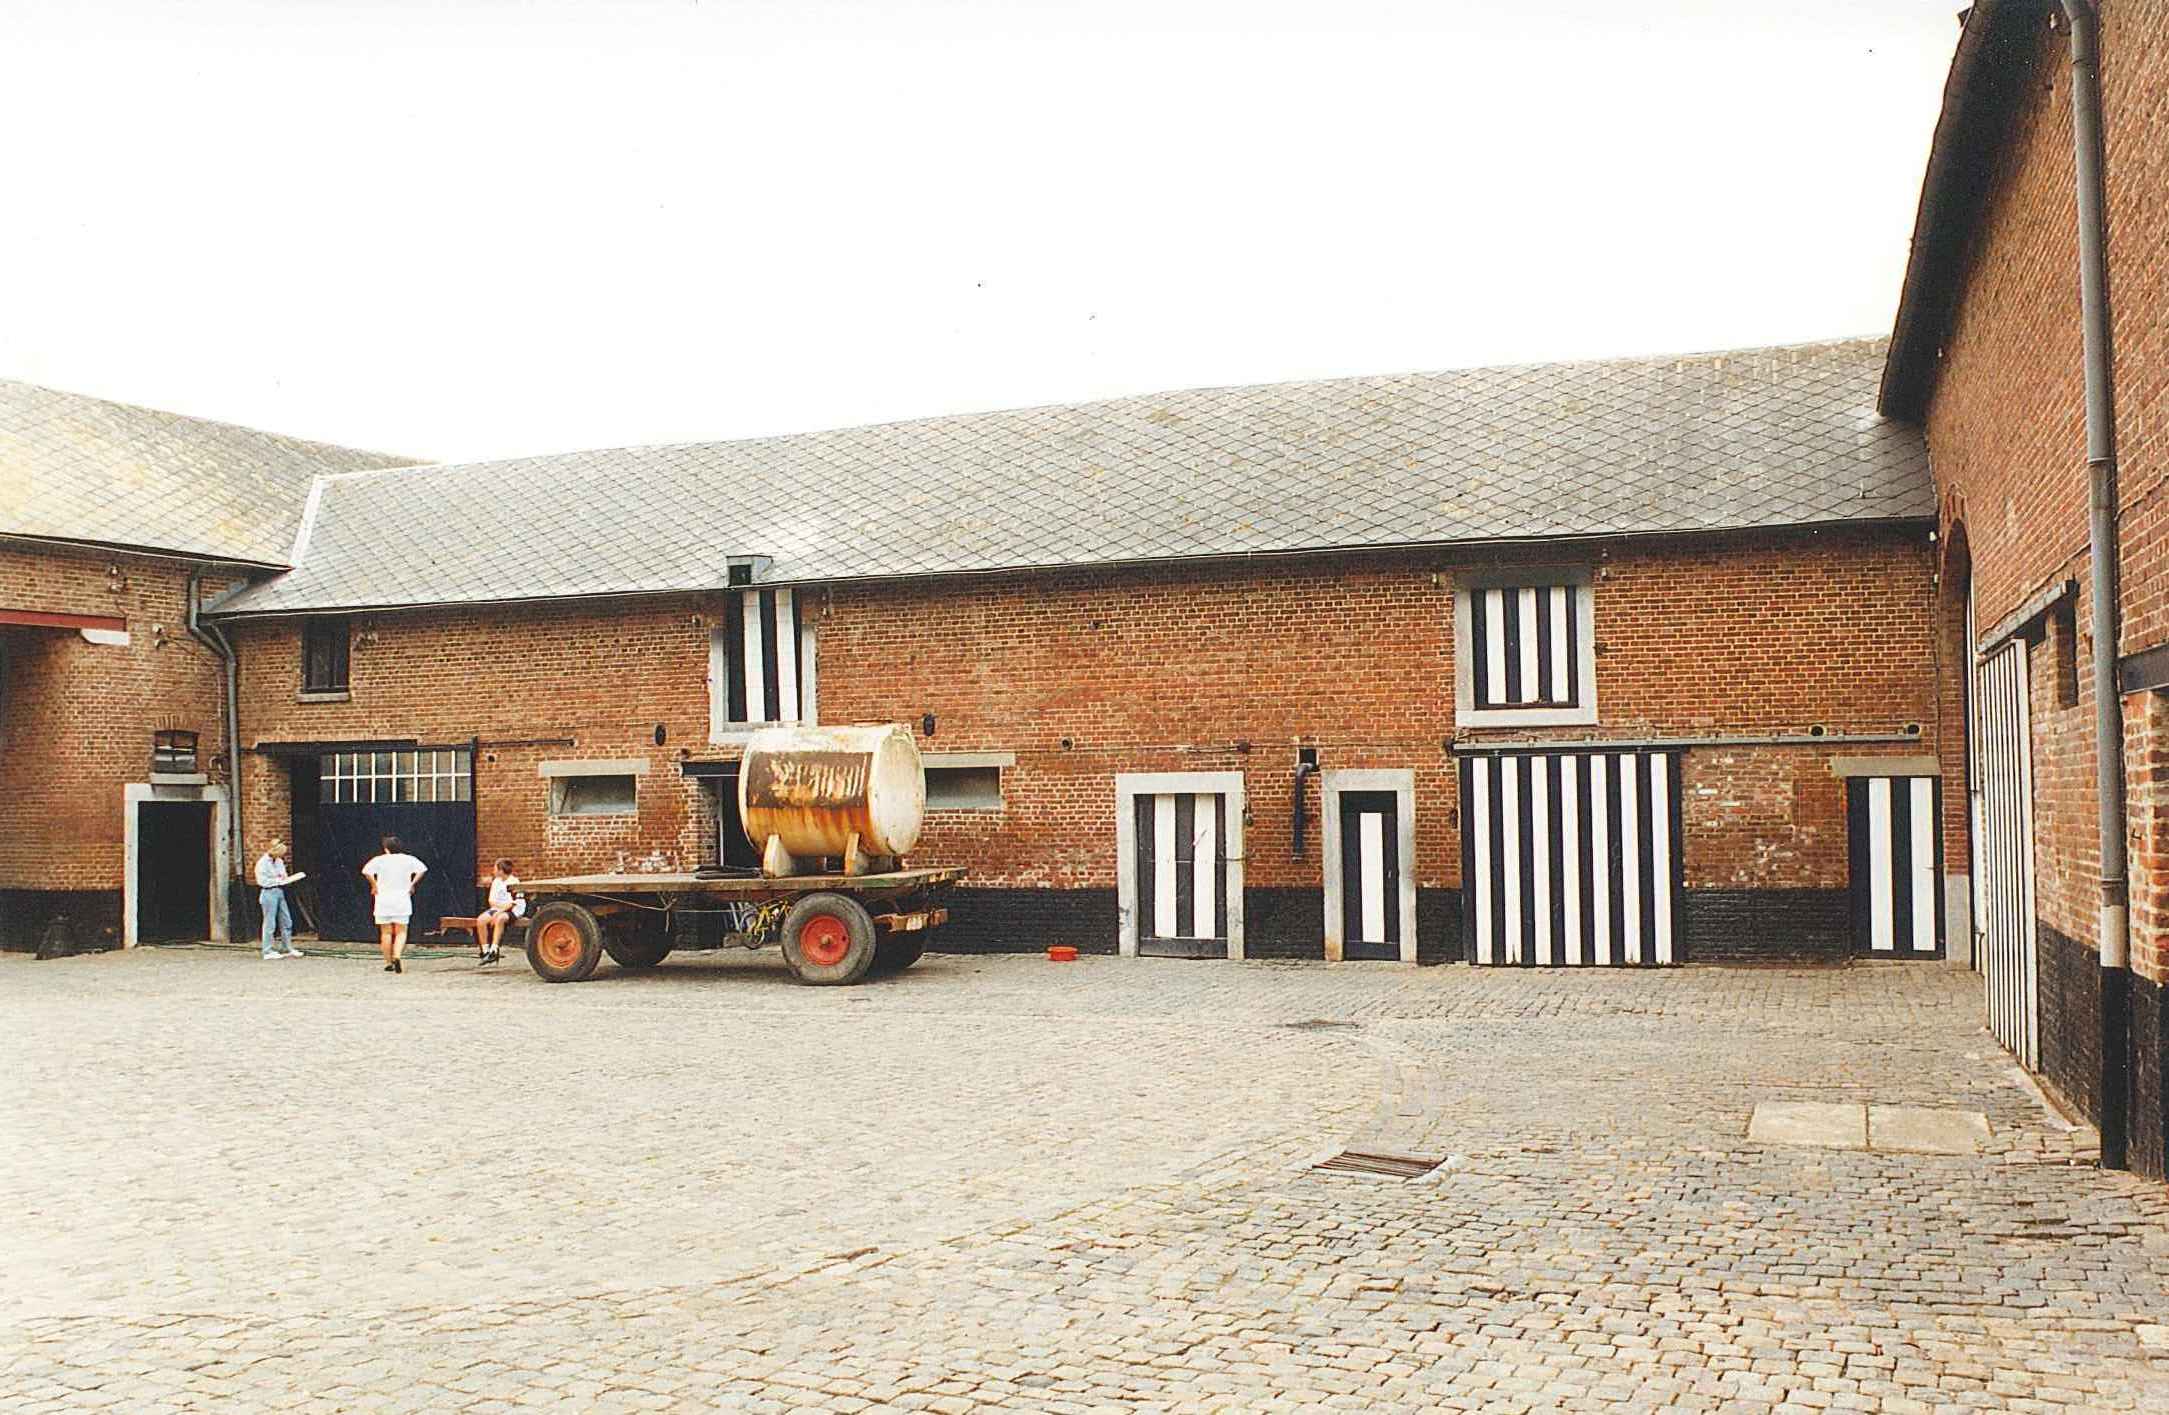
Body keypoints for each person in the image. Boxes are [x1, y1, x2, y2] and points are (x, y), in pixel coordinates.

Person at [361, 835, 428, 974]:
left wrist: (374, 884)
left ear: (386, 849)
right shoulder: (408, 859)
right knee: (401, 931)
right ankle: (397, 956)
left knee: (385, 932)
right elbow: (422, 869)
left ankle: (388, 962)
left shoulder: (379, 860)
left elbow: (366, 871)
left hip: (383, 899)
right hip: (401, 899)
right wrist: (412, 883)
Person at [254, 839, 305, 960]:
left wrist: (286, 879)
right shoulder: (262, 863)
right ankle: (267, 950)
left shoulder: (279, 861)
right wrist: (278, 880)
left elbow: (283, 875)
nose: (281, 856)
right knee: (270, 922)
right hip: (268, 892)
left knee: (286, 920)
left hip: (280, 891)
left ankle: (287, 947)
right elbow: (262, 881)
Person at [474, 857, 520, 966]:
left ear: (501, 870)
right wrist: (496, 910)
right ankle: (485, 951)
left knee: (500, 919)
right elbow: (491, 901)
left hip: (512, 910)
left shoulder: (514, 882)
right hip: (497, 908)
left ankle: (494, 950)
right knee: (481, 920)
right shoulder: (496, 882)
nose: (493, 871)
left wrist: (499, 911)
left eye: (495, 869)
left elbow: (513, 903)